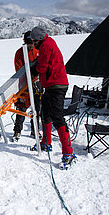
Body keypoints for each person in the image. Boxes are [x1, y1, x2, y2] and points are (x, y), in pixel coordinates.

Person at [30, 26, 76, 169]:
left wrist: (33, 69)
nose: (33, 43)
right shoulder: (47, 43)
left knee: (57, 117)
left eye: (34, 40)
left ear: (39, 39)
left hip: (56, 85)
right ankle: (46, 142)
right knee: (45, 114)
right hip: (51, 85)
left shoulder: (46, 46)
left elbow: (42, 68)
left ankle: (68, 152)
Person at [12, 31, 42, 142]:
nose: (31, 45)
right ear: (24, 42)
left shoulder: (37, 51)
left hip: (36, 83)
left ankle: (35, 130)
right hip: (23, 84)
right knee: (21, 107)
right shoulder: (19, 53)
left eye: (32, 43)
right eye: (29, 43)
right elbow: (19, 70)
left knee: (36, 109)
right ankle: (17, 131)